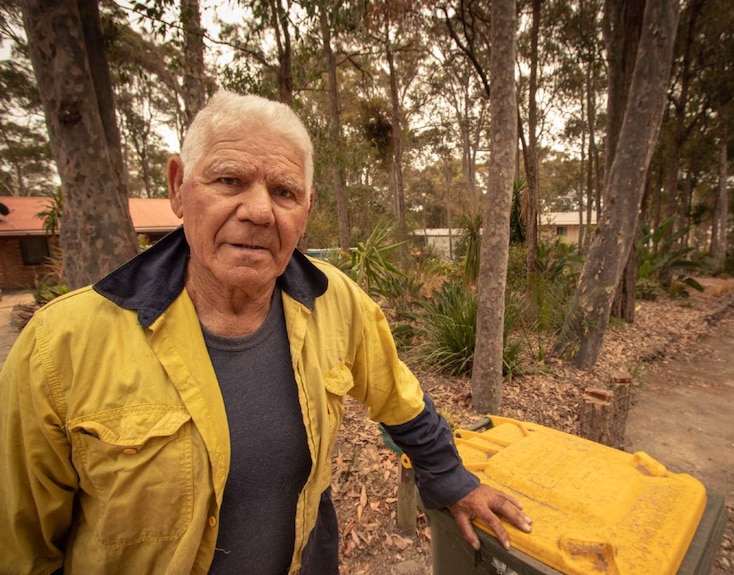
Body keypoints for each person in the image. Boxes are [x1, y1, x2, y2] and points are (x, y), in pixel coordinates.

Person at [0, 91, 531, 575]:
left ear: (306, 210)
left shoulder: (335, 302)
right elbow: (19, 545)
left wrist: (452, 482)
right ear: (178, 187)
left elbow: (400, 398)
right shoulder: (62, 346)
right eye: (229, 180)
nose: (258, 211)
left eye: (283, 191)